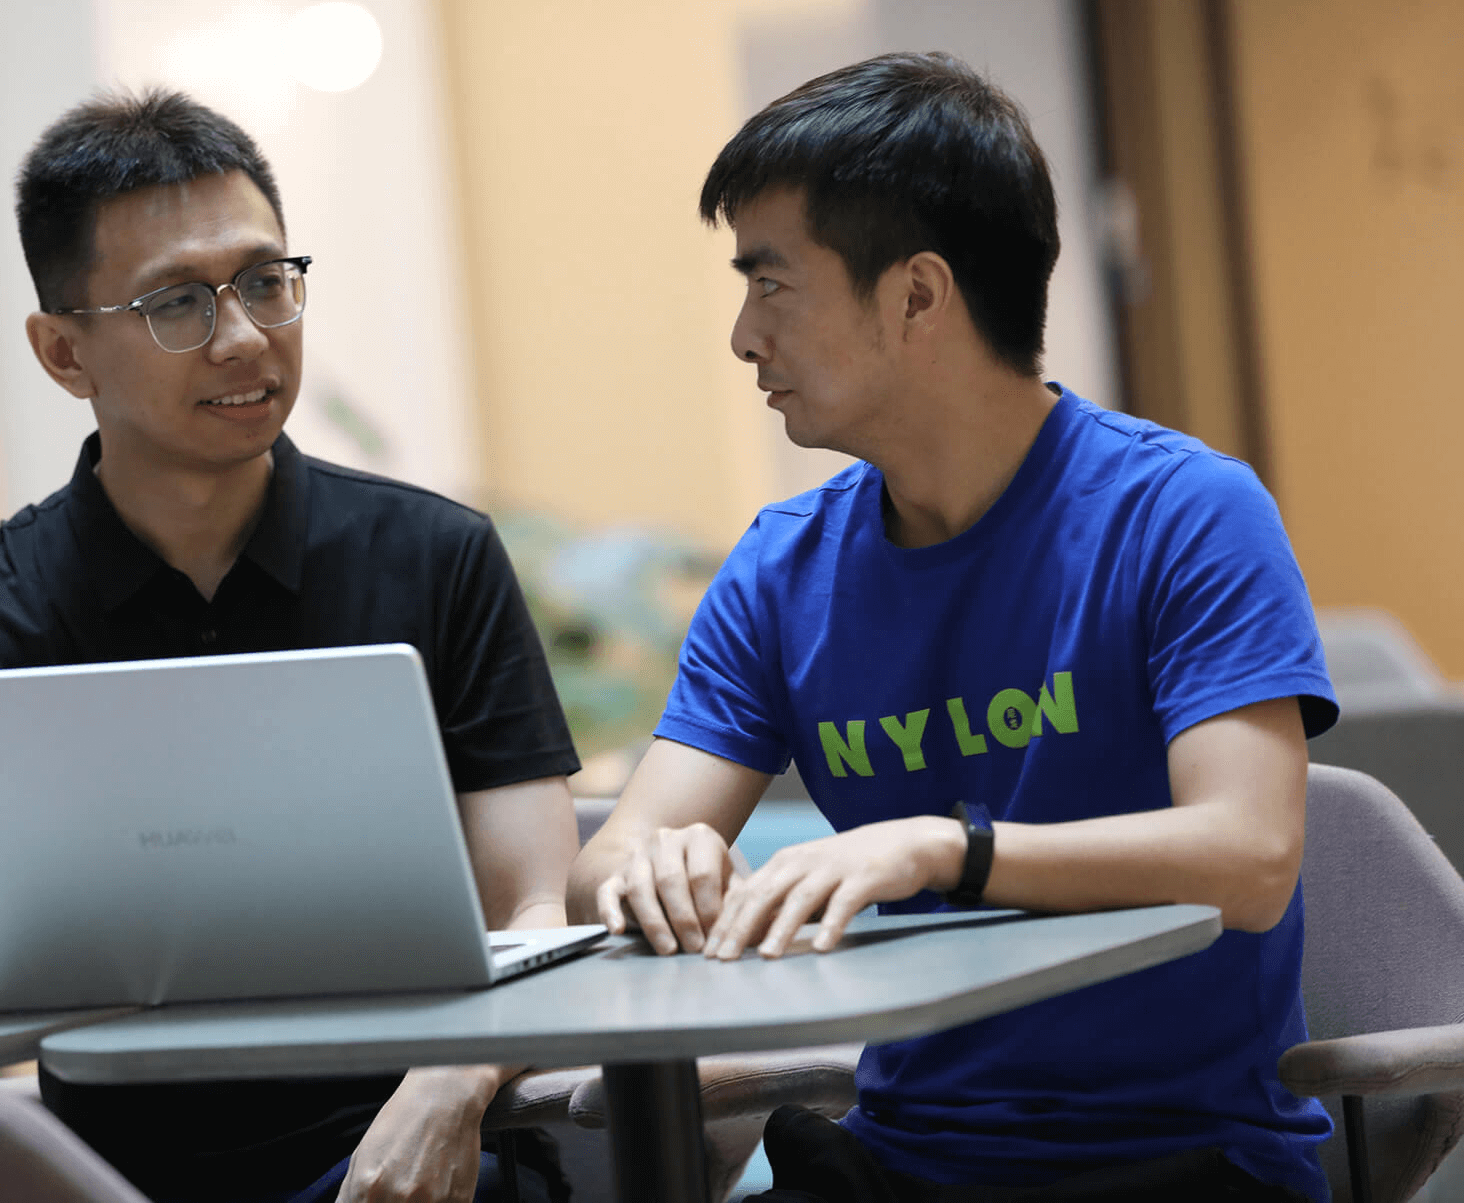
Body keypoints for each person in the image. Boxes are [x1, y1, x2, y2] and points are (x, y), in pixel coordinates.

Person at [569, 52, 1334, 1202]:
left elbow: (1249, 859)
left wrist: (944, 849)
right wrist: (648, 868)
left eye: (771, 284)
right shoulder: (780, 568)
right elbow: (602, 870)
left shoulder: (1182, 512)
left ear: (915, 297)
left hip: (1178, 1161)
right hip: (900, 1160)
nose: (741, 336)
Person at [0, 90, 582, 1203]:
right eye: (176, 303)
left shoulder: (435, 557)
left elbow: (535, 906)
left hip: (406, 1152)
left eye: (264, 280)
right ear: (63, 352)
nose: (245, 336)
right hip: (112, 1178)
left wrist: (450, 1085)